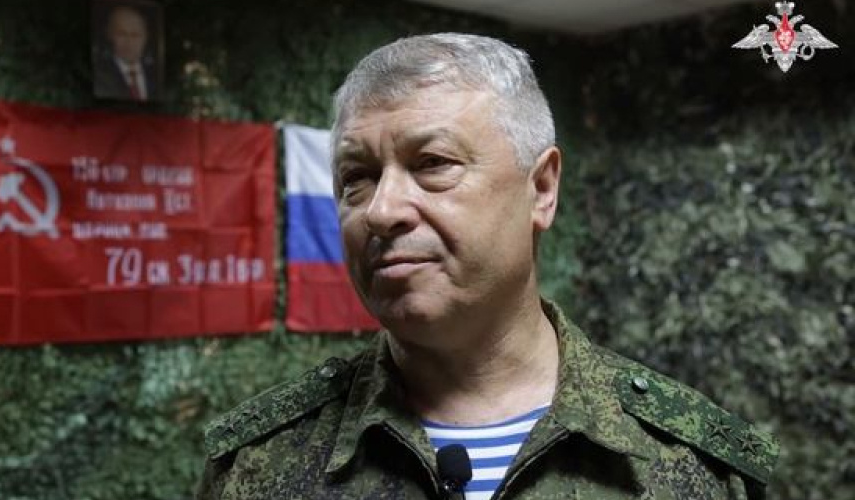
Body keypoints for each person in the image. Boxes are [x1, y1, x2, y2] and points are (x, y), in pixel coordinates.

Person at [196, 33, 778, 499]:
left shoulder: (691, 466)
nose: (382, 210)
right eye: (357, 177)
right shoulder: (258, 466)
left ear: (541, 189)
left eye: (433, 163)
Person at [94, 4, 158, 101]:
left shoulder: (156, 75)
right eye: (121, 34)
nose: (129, 42)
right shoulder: (98, 74)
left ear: (146, 38)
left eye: (135, 35)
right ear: (109, 35)